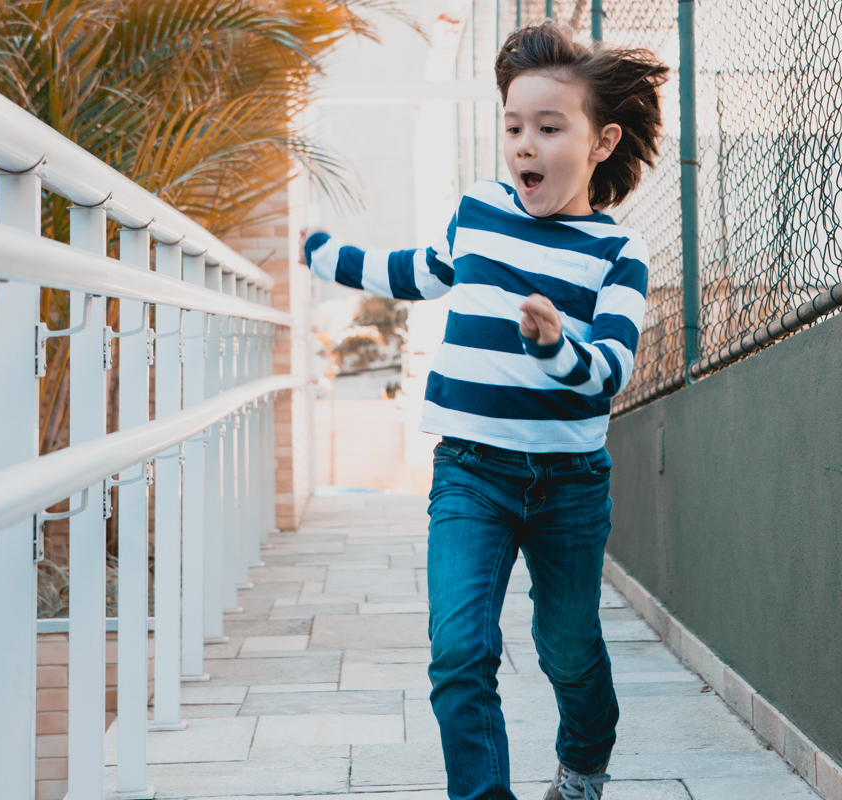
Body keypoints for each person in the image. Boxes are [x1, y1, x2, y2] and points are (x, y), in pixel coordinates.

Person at [300, 22, 669, 800]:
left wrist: (551, 344)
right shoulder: (477, 212)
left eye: (548, 127)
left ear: (601, 141)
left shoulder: (618, 253)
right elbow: (415, 271)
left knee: (566, 648)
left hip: (569, 484)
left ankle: (584, 762)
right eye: (513, 127)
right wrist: (322, 252)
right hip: (470, 471)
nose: (524, 145)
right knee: (458, 651)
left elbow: (607, 372)